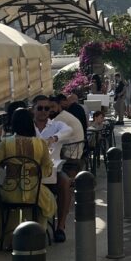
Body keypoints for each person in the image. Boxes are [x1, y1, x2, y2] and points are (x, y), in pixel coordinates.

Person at [0, 108, 57, 251]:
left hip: (9, 193)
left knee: (2, 208)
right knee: (46, 203)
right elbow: (47, 169)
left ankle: (5, 240)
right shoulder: (40, 144)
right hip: (33, 193)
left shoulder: (6, 143)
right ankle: (36, 238)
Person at [32, 94, 84, 240]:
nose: (43, 111)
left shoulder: (56, 125)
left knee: (65, 182)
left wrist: (55, 138)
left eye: (47, 108)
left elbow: (68, 130)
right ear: (33, 109)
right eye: (40, 108)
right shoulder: (28, 126)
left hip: (53, 171)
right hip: (32, 171)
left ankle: (60, 226)